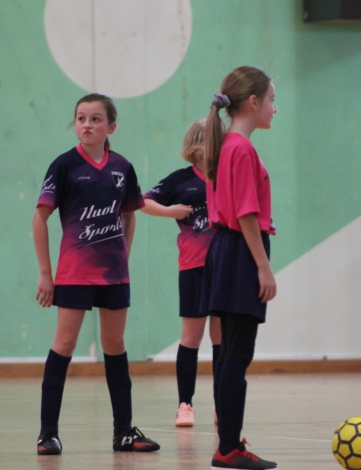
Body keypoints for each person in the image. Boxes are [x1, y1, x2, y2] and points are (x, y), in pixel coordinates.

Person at [33, 93, 160, 455]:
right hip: (74, 273)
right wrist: (46, 274)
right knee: (64, 344)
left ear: (111, 127)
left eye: (95, 119)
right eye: (81, 118)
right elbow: (40, 218)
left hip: (114, 275)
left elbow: (130, 213)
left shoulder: (122, 167)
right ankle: (47, 434)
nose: (87, 125)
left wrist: (124, 257)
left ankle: (124, 433)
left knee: (115, 345)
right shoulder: (64, 165)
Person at [201, 66, 278, 470]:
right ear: (252, 102)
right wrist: (263, 267)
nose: (274, 108)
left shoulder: (225, 145)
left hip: (224, 250)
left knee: (229, 352)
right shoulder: (242, 149)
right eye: (271, 100)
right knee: (237, 354)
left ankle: (228, 442)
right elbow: (246, 213)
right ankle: (229, 447)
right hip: (241, 252)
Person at [141, 119, 221, 427]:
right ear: (197, 144)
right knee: (191, 337)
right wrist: (170, 211)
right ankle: (185, 405)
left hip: (225, 268)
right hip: (193, 267)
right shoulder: (181, 180)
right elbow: (143, 202)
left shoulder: (228, 175)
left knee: (221, 339)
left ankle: (222, 405)